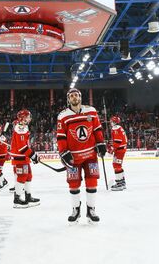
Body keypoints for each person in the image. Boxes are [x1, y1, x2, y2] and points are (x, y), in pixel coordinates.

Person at [56, 88, 106, 224]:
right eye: (71, 95)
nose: (74, 97)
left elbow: (97, 129)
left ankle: (91, 210)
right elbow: (61, 137)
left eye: (76, 95)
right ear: (68, 99)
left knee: (92, 181)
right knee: (73, 184)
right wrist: (63, 152)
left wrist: (101, 143)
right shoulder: (62, 116)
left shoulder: (91, 111)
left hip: (91, 154)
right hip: (73, 158)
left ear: (80, 97)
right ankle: (75, 210)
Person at [9, 109, 40, 208]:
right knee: (22, 176)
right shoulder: (20, 128)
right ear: (23, 118)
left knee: (28, 176)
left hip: (24, 157)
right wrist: (33, 155)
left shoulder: (24, 127)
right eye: (28, 117)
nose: (30, 118)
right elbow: (22, 148)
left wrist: (31, 155)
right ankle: (17, 199)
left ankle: (28, 196)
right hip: (20, 158)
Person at [108, 115, 128, 191]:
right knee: (118, 165)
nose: (110, 123)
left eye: (111, 121)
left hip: (119, 150)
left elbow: (117, 141)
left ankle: (120, 183)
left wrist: (111, 150)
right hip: (121, 149)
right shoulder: (120, 128)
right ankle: (122, 182)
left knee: (116, 165)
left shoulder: (115, 128)